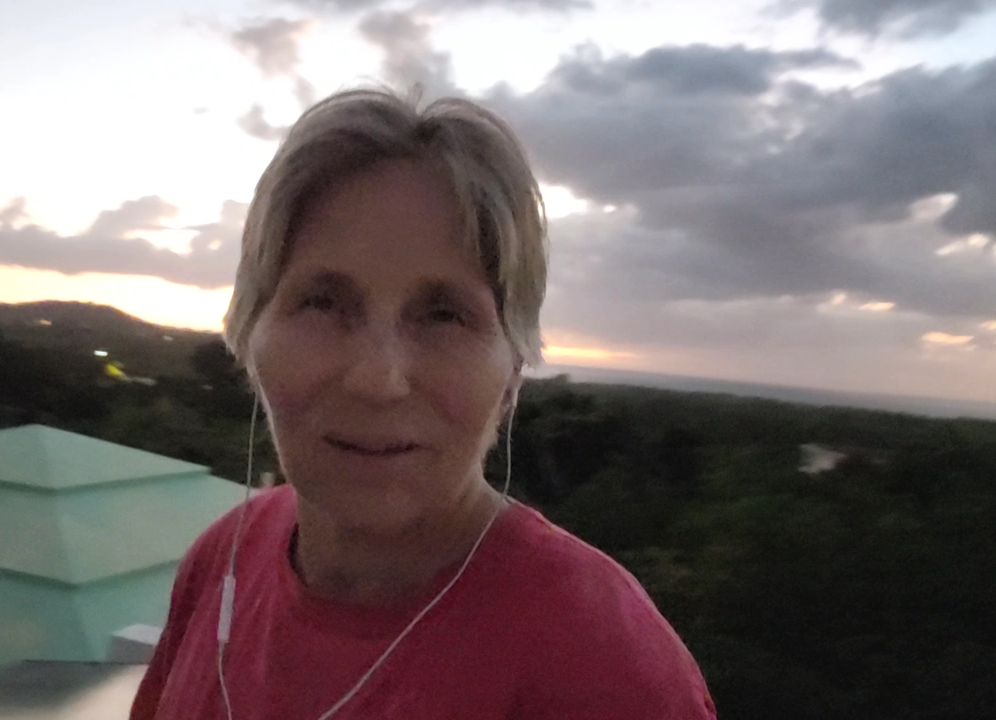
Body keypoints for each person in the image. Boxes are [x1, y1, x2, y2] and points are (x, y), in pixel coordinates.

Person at [129, 88, 716, 719]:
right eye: (323, 302)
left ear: (514, 367)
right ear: (249, 332)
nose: (378, 379)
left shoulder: (601, 666)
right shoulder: (224, 558)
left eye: (443, 315)